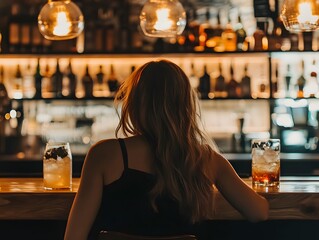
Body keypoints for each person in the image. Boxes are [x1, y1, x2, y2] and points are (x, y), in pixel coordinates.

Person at [64, 60, 268, 240]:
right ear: (185, 106)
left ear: (134, 104)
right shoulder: (206, 159)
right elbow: (258, 212)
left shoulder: (103, 155)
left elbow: (73, 237)